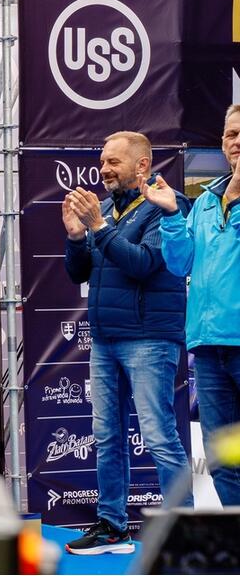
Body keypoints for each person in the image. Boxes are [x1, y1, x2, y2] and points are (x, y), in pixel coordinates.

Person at [61, 131, 192, 555]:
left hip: (150, 339)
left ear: (142, 165)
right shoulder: (102, 210)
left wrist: (98, 229)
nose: (104, 170)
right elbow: (78, 273)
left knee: (158, 436)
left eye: (113, 162)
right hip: (105, 339)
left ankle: (183, 529)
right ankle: (113, 526)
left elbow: (144, 266)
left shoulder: (165, 205)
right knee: (106, 434)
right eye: (102, 162)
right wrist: (76, 238)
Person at [145, 106, 240, 505]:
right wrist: (170, 214)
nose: (237, 141)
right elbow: (179, 261)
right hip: (208, 348)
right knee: (223, 460)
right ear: (221, 143)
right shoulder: (204, 202)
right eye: (231, 134)